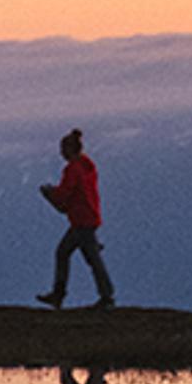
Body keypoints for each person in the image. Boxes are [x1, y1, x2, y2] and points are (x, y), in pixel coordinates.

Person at [35, 128, 113, 308]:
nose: (61, 153)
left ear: (69, 149)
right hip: (89, 216)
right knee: (87, 256)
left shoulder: (73, 169)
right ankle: (103, 295)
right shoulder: (87, 166)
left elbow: (64, 194)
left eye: (63, 149)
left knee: (71, 254)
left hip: (80, 220)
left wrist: (49, 193)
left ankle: (103, 296)